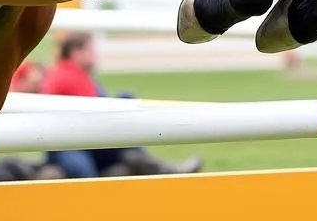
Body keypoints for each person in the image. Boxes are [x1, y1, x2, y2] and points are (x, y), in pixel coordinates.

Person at [40, 32, 202, 178]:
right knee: (125, 107)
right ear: (76, 52)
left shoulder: (68, 73)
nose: (95, 54)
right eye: (91, 50)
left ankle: (149, 167)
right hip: (69, 146)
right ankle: (163, 171)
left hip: (75, 142)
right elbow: (98, 114)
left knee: (124, 113)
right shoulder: (70, 75)